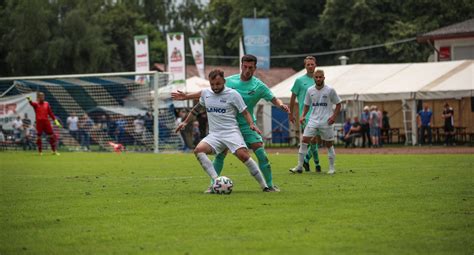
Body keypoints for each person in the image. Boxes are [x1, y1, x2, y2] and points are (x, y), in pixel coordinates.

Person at [172, 54, 289, 192]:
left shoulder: (259, 86)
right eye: (245, 67)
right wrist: (187, 96)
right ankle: (214, 184)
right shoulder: (227, 81)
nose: (247, 70)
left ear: (255, 68)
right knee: (220, 155)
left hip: (246, 125)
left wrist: (281, 105)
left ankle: (269, 185)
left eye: (250, 67)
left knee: (260, 153)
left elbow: (273, 99)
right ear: (241, 66)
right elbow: (209, 91)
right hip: (225, 126)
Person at [291, 69, 342, 174]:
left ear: (324, 78)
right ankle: (299, 166)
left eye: (320, 77)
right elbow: (306, 105)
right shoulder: (310, 90)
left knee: (329, 144)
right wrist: (303, 115)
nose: (318, 79)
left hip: (326, 121)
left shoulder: (330, 90)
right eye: (316, 77)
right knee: (304, 141)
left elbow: (338, 104)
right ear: (314, 78)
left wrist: (334, 117)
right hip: (312, 121)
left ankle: (331, 168)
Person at [288, 56, 321, 172]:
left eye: (312, 64)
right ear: (305, 66)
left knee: (317, 140)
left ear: (315, 65)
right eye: (308, 64)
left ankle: (306, 161)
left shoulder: (319, 79)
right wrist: (290, 114)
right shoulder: (299, 81)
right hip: (305, 116)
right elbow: (292, 99)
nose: (310, 66)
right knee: (312, 140)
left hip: (320, 115)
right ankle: (317, 165)